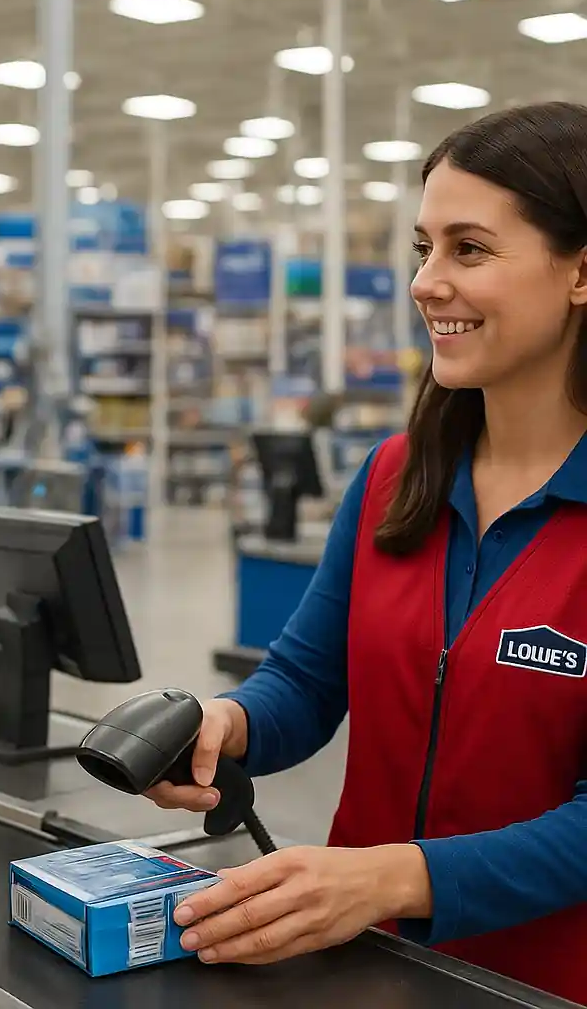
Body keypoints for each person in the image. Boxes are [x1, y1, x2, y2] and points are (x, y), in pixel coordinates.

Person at [147, 100, 587, 1006]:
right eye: (422, 248)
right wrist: (224, 726)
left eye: (469, 249)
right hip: (361, 971)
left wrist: (391, 879)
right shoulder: (397, 476)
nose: (426, 282)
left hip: (540, 986)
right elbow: (307, 682)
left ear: (581, 270)